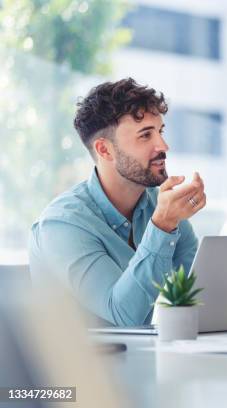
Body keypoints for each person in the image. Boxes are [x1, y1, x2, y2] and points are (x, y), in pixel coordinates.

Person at [29, 78, 206, 327]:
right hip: (82, 364)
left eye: (160, 131)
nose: (163, 146)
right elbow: (123, 314)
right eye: (145, 135)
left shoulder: (159, 206)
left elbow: (198, 290)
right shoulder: (62, 225)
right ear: (104, 150)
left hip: (141, 358)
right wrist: (163, 225)